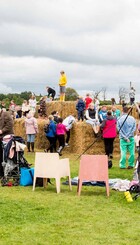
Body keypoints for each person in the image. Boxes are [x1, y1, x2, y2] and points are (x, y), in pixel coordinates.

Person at [0, 108, 14, 177]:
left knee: (5, 155)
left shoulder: (6, 114)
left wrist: (2, 130)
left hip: (7, 137)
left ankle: (5, 172)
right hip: (1, 137)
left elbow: (10, 124)